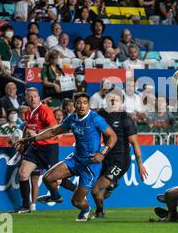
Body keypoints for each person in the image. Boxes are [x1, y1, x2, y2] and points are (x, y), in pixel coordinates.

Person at [16, 92, 117, 221]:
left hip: (91, 164)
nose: (82, 106)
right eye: (79, 103)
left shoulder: (95, 119)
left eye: (85, 103)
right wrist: (31, 139)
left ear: (89, 105)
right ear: (74, 105)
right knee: (48, 178)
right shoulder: (72, 119)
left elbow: (112, 136)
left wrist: (103, 153)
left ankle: (86, 209)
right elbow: (53, 131)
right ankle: (56, 196)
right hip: (75, 159)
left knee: (76, 201)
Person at [14, 87, 77, 213]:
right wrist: (24, 142)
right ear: (26, 99)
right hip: (34, 147)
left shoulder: (45, 110)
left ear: (39, 98)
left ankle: (76, 190)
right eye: (30, 97)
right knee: (23, 173)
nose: (32, 99)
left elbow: (54, 127)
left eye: (35, 96)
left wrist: (37, 132)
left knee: (56, 177)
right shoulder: (28, 112)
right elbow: (28, 129)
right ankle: (26, 206)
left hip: (48, 147)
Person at [90, 89, 148, 218]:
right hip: (105, 157)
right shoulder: (101, 115)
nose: (112, 101)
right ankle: (108, 192)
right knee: (94, 189)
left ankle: (100, 211)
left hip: (120, 161)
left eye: (116, 99)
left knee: (96, 190)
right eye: (110, 98)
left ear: (121, 103)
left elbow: (134, 143)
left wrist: (140, 165)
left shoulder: (125, 119)